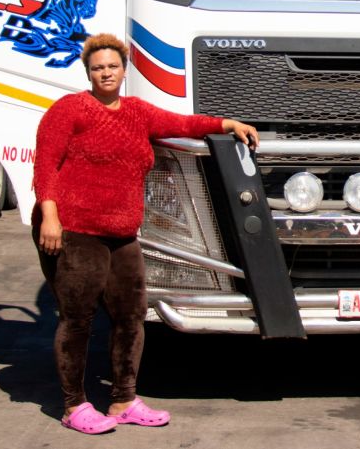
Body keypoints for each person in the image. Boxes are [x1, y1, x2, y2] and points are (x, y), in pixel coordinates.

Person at [31, 32, 258, 434]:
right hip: (76, 231)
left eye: (112, 66)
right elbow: (45, 163)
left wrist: (227, 123)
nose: (106, 73)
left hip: (122, 234)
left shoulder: (138, 112)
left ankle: (122, 399)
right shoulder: (70, 109)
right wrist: (50, 215)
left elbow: (184, 123)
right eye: (98, 67)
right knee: (78, 319)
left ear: (123, 71)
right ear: (88, 72)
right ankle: (73, 406)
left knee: (131, 316)